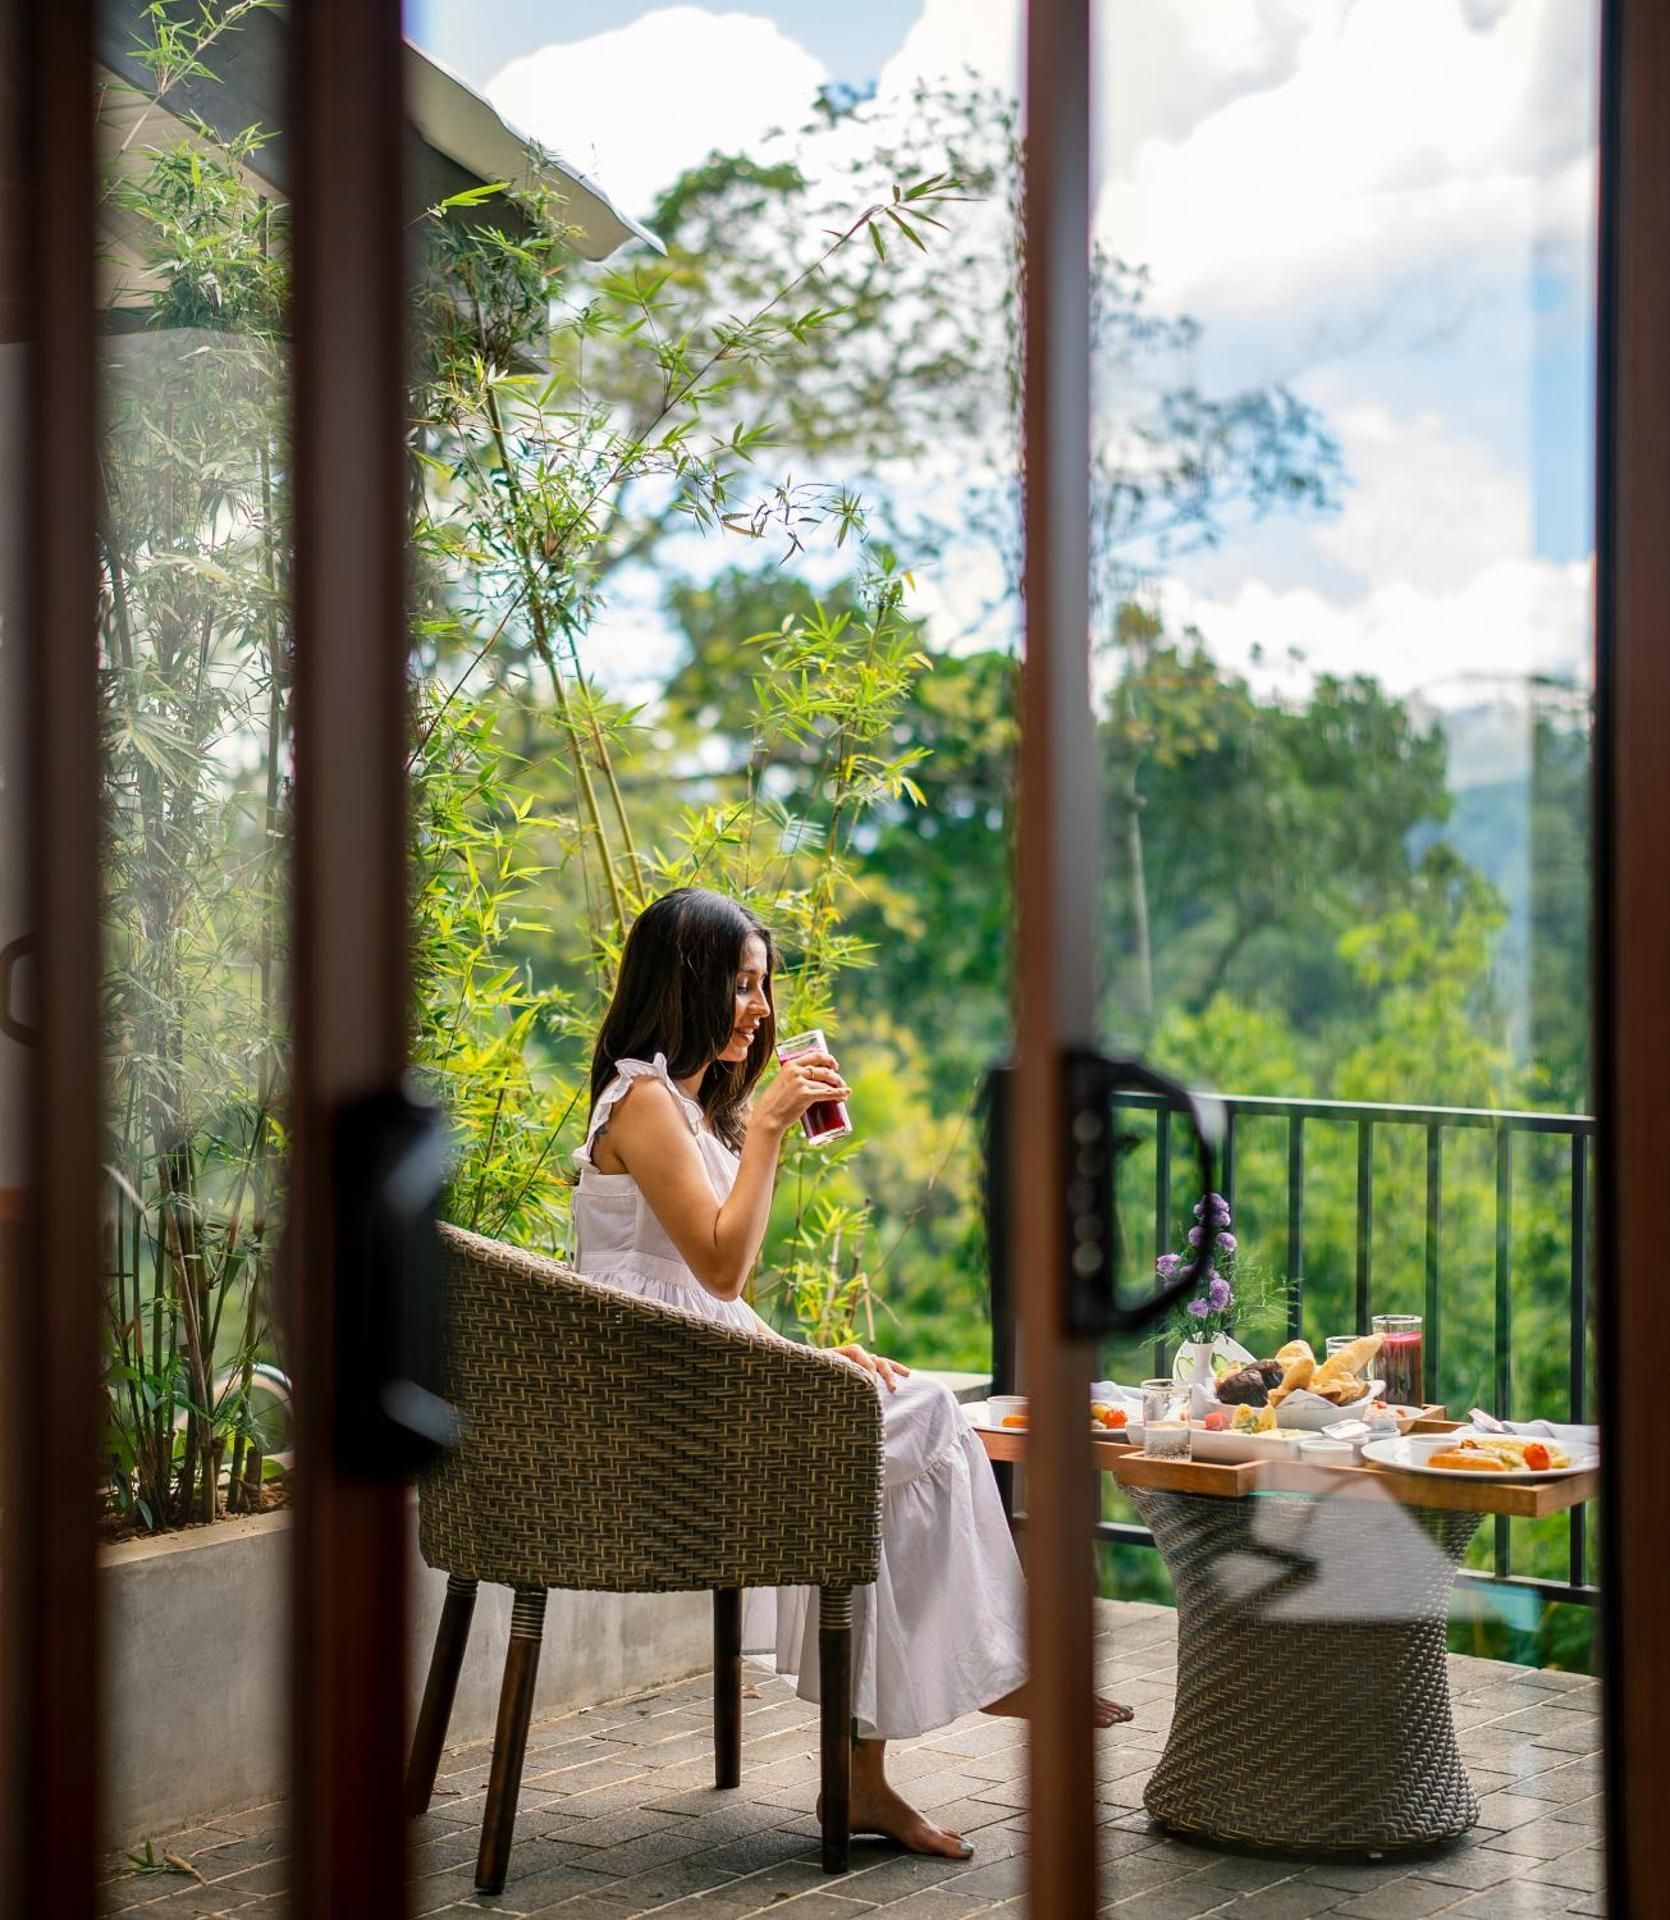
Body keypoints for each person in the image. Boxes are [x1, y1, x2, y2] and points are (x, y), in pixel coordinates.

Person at [571, 886, 1129, 1860]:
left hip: (703, 1392)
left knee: (897, 1428)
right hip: (658, 1429)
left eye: (763, 987)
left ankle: (870, 1775)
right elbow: (718, 1265)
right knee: (915, 1422)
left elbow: (707, 1305)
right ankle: (991, 1677)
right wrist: (773, 1133)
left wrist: (808, 1361)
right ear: (687, 981)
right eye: (741, 985)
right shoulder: (642, 1098)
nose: (758, 1008)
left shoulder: (690, 1113)